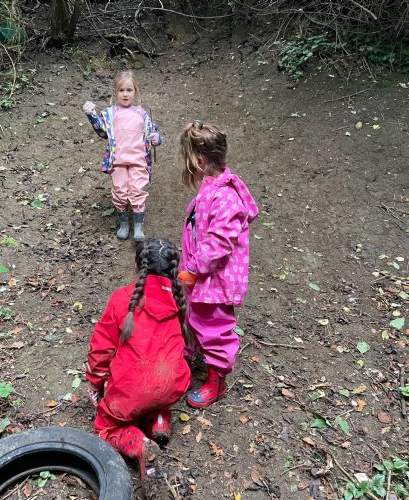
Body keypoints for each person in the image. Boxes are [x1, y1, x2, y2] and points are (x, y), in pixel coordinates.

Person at [85, 238, 192, 486]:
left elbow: (101, 349)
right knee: (155, 387)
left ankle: (141, 446)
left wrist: (95, 383)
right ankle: (159, 419)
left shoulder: (122, 299)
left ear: (137, 268)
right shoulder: (179, 299)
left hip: (133, 388)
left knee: (106, 427)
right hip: (173, 383)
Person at [177, 120, 259, 409]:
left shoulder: (225, 197)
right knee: (193, 317)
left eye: (189, 162)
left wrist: (193, 269)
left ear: (200, 160)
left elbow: (218, 243)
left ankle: (217, 380)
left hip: (215, 280)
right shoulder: (211, 187)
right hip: (201, 276)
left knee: (216, 328)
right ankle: (188, 356)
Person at [82, 70, 162, 242]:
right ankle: (124, 223)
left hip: (138, 160)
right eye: (121, 90)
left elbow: (154, 133)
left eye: (129, 90)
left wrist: (156, 139)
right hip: (117, 161)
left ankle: (139, 225)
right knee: (119, 190)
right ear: (115, 93)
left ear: (135, 92)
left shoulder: (141, 114)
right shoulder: (110, 114)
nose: (125, 94)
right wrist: (91, 115)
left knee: (137, 189)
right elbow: (103, 132)